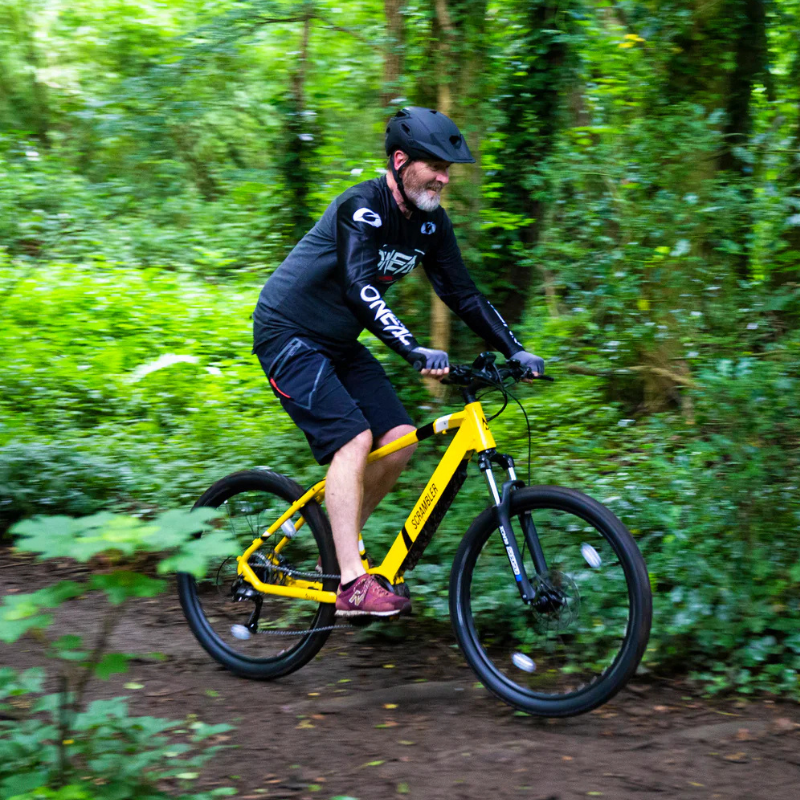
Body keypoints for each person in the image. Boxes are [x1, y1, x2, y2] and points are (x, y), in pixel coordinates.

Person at [252, 107, 544, 617]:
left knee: (399, 439)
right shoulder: (362, 207)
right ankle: (352, 583)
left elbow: (463, 293)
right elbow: (359, 286)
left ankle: (337, 553)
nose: (444, 178)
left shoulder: (430, 224)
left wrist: (513, 348)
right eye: (435, 166)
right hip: (288, 334)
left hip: (339, 342)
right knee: (353, 439)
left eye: (448, 170)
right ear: (401, 160)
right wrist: (412, 347)